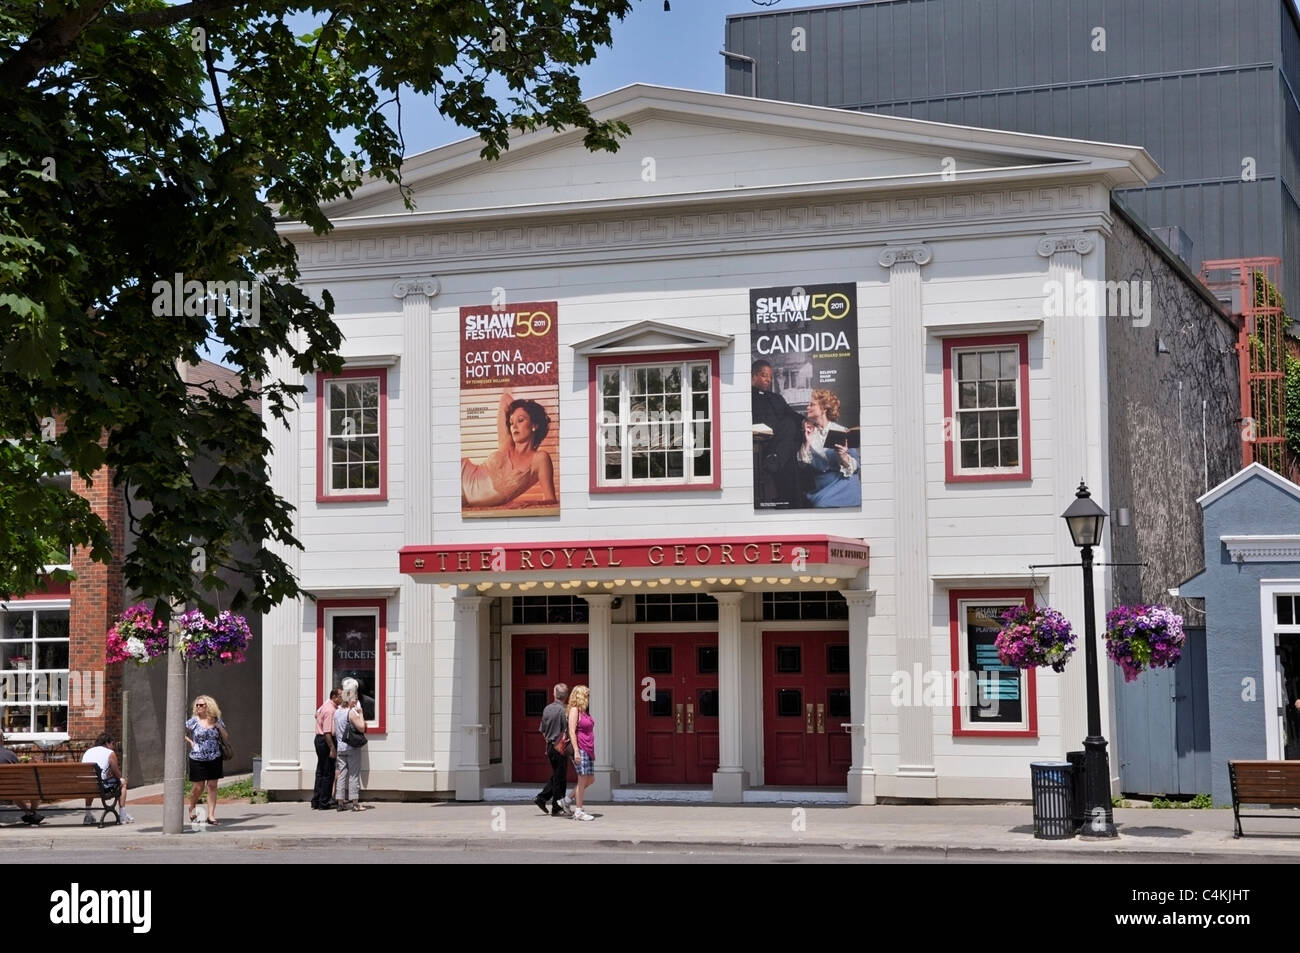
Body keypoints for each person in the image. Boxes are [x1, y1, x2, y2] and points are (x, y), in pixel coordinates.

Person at [461, 391, 556, 508]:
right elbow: (505, 398)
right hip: (462, 473)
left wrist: (532, 503)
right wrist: (522, 406)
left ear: (534, 425)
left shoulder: (540, 459)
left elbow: (550, 499)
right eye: (511, 423)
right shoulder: (507, 444)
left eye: (520, 420)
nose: (514, 426)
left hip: (464, 499)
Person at [796, 388, 861, 508]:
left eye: (812, 405)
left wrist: (844, 456)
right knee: (820, 504)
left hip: (845, 485)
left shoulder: (843, 431)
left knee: (823, 504)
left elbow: (856, 465)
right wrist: (807, 441)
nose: (807, 408)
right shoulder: (808, 433)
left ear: (823, 409)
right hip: (821, 488)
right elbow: (802, 465)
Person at [751, 359, 803, 508]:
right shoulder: (746, 397)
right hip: (760, 441)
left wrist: (808, 422)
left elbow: (792, 414)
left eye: (770, 376)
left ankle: (775, 459)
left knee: (792, 424)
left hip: (778, 443)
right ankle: (775, 459)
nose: (768, 379)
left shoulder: (777, 398)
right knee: (790, 431)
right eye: (764, 375)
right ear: (753, 376)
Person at [185, 695, 228, 825]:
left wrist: (219, 727)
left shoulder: (216, 720)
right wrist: (191, 742)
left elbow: (225, 737)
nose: (198, 707)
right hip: (197, 758)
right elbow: (181, 732)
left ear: (208, 706)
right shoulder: (193, 721)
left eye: (201, 705)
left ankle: (211, 815)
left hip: (214, 757)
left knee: (212, 786)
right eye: (197, 705)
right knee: (198, 786)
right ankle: (191, 807)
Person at [533, 682, 571, 816]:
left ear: (555, 694)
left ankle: (542, 798)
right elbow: (567, 729)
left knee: (557, 775)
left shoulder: (547, 709)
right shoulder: (564, 710)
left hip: (550, 745)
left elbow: (542, 730)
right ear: (566, 696)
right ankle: (556, 807)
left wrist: (549, 741)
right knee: (560, 778)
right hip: (560, 746)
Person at [81, 731, 133, 825]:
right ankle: (122, 814)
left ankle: (88, 815)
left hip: (86, 785)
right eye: (112, 744)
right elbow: (117, 774)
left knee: (91, 782)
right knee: (123, 782)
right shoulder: (110, 753)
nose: (113, 746)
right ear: (107, 743)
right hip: (102, 787)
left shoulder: (88, 751)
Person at [334, 677, 370, 811]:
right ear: (350, 699)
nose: (355, 700)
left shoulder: (337, 712)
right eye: (354, 697)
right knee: (354, 774)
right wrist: (360, 713)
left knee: (342, 774)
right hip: (351, 747)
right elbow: (361, 727)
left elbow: (333, 730)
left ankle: (340, 802)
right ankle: (355, 803)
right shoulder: (351, 713)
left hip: (340, 747)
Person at [564, 685, 596, 821]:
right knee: (582, 780)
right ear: (581, 696)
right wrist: (576, 751)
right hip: (580, 748)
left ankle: (566, 800)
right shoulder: (574, 710)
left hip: (588, 748)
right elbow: (572, 731)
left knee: (590, 779)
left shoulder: (585, 712)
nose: (589, 698)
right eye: (587, 695)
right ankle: (579, 811)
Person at [0, 731, 43, 825]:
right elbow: (19, 773)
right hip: (12, 789)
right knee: (34, 788)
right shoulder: (10, 754)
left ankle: (29, 814)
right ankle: (31, 813)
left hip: (6, 789)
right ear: (2, 740)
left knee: (13, 790)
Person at [312, 688, 340, 810]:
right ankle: (324, 802)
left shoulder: (325, 706)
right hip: (326, 741)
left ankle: (316, 800)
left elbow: (316, 715)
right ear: (334, 697)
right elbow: (327, 732)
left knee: (320, 771)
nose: (342, 697)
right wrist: (332, 748)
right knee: (328, 772)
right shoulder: (330, 710)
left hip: (319, 739)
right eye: (340, 695)